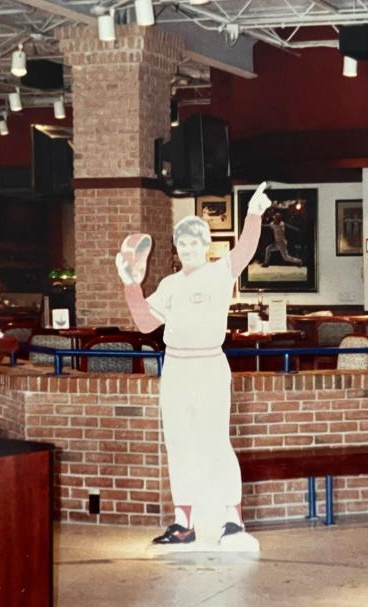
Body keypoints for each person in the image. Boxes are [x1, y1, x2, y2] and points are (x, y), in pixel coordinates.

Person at [115, 182, 272, 545]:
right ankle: (183, 521)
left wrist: (253, 213)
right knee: (179, 443)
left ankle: (233, 520)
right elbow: (144, 323)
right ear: (176, 247)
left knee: (216, 442)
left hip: (209, 367)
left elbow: (246, 250)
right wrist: (130, 284)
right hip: (176, 367)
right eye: (182, 242)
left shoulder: (219, 273)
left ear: (206, 245)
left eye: (194, 242)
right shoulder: (169, 284)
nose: (187, 247)